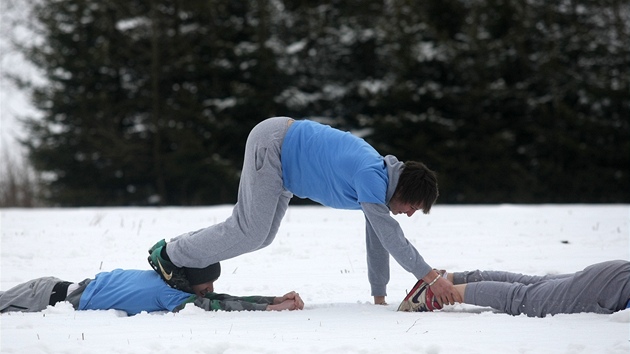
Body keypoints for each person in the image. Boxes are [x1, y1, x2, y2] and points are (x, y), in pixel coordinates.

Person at [147, 117, 461, 306]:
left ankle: (184, 258)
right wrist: (432, 279)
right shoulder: (371, 173)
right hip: (273, 146)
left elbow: (378, 235)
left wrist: (379, 295)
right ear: (404, 192)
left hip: (284, 165)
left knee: (262, 236)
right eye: (413, 207)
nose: (409, 214)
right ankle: (172, 255)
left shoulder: (377, 183)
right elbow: (392, 237)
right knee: (249, 230)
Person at [0, 262, 304, 315]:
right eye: (208, 283)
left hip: (51, 288)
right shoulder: (170, 293)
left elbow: (218, 299)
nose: (210, 289)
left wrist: (274, 299)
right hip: (43, 296)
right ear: (194, 278)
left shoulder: (170, 281)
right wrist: (271, 308)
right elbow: (217, 306)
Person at [397, 260, 630, 317]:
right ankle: (434, 294)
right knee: (528, 299)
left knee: (534, 284)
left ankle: (448, 279)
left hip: (619, 274)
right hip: (615, 286)